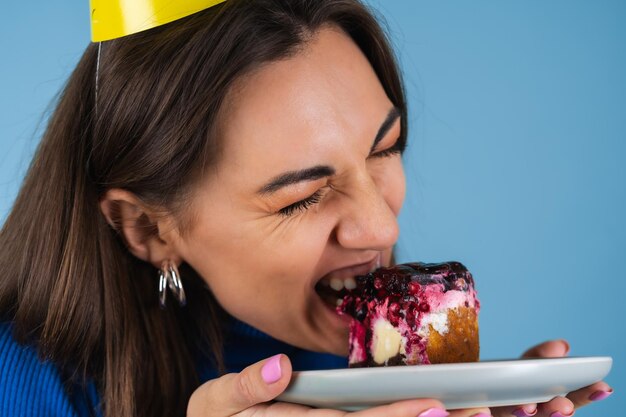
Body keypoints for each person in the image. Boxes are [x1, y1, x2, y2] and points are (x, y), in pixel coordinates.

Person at [0, 1, 612, 416]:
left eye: (385, 149)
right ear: (148, 229)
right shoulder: (18, 383)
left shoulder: (346, 354)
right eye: (302, 197)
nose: (383, 226)